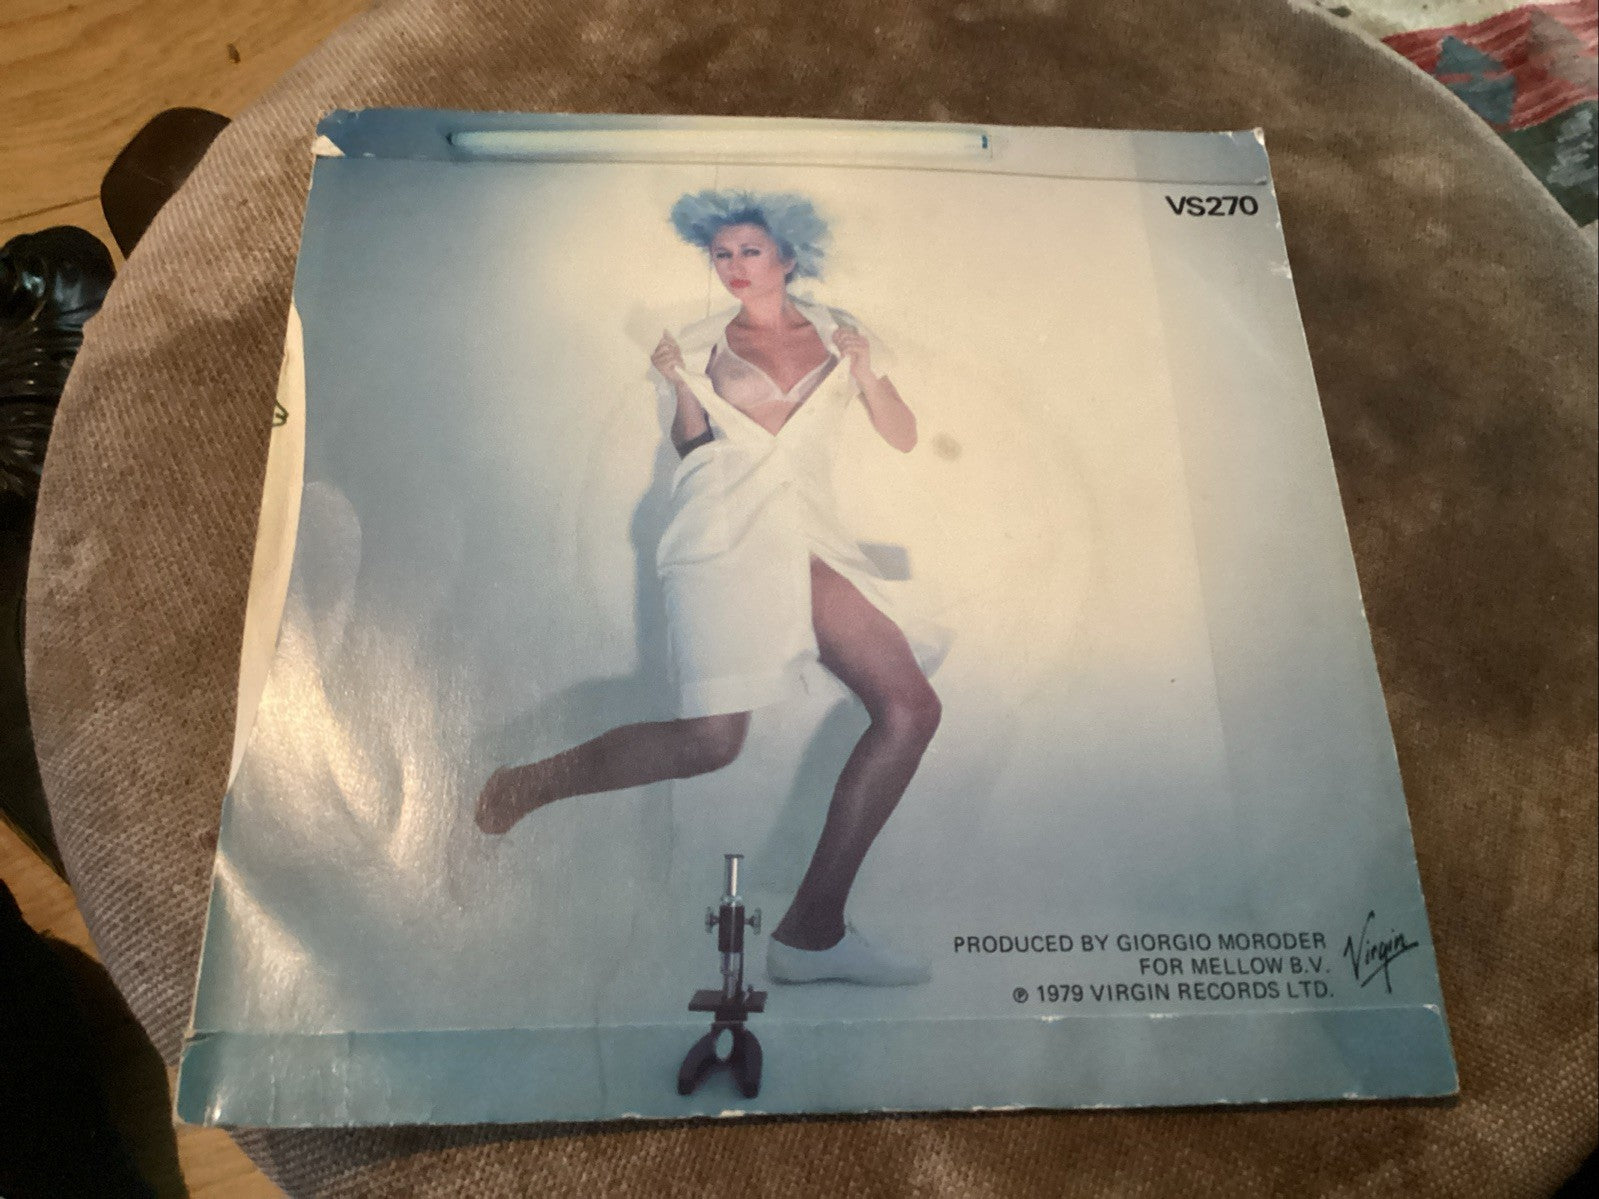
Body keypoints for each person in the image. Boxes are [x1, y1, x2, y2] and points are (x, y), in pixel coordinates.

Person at [476, 189, 944, 986]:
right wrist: (682, 388)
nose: (733, 266)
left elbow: (901, 436)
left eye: (749, 251)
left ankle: (811, 931)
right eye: (721, 253)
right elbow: (693, 448)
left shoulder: (842, 332)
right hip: (721, 532)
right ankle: (523, 784)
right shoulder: (692, 342)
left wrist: (866, 370)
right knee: (710, 744)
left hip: (807, 534)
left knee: (905, 709)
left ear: (788, 256)